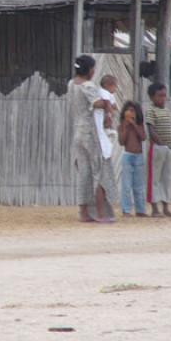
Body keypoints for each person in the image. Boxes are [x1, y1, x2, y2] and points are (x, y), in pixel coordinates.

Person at [68, 54, 118, 223]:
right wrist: (107, 103)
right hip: (91, 132)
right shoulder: (88, 85)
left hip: (77, 131)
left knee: (84, 173)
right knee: (100, 171)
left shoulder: (71, 84)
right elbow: (96, 103)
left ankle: (83, 212)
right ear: (90, 70)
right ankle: (101, 213)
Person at [145, 83, 171, 218]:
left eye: (164, 95)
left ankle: (165, 207)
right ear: (152, 97)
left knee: (166, 178)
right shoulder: (151, 110)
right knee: (155, 179)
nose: (163, 98)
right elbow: (151, 129)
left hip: (168, 149)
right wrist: (160, 142)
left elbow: (170, 133)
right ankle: (154, 208)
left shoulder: (167, 112)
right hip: (157, 148)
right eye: (160, 96)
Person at [118, 100, 147, 217]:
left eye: (132, 111)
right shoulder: (122, 126)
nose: (130, 113)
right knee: (126, 185)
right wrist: (126, 126)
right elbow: (121, 141)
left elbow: (143, 137)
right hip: (127, 156)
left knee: (139, 186)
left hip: (138, 157)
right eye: (128, 110)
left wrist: (134, 124)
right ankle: (126, 210)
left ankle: (140, 210)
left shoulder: (139, 125)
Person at [94, 75, 118, 159]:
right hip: (103, 114)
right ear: (108, 85)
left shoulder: (110, 94)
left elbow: (114, 105)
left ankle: (108, 130)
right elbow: (107, 103)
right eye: (115, 86)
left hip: (105, 115)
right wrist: (110, 112)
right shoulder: (103, 92)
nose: (115, 89)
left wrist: (113, 109)